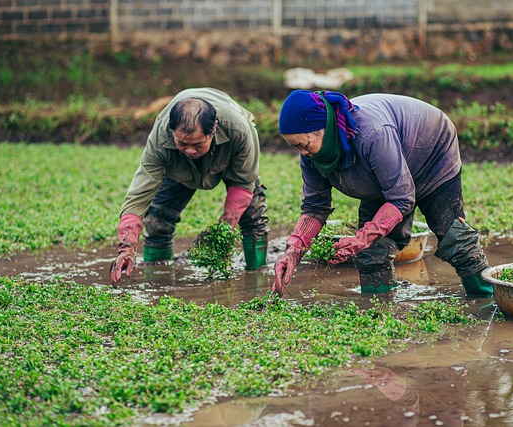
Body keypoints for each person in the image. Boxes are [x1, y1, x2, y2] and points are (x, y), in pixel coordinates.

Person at [272, 90, 491, 297]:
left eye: (304, 144)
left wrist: (361, 238)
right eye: (296, 147)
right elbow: (314, 207)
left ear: (324, 129)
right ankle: (378, 308)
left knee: (454, 237)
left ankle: (487, 299)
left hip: (430, 149)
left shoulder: (372, 134)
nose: (303, 153)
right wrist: (293, 250)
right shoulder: (311, 156)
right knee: (371, 253)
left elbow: (401, 198)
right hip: (384, 171)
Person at [110, 88, 269, 287]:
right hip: (179, 170)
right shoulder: (160, 138)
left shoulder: (239, 130)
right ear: (172, 132)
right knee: (157, 220)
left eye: (197, 144)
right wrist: (127, 246)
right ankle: (159, 282)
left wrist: (224, 227)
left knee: (253, 216)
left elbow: (243, 182)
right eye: (183, 143)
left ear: (213, 131)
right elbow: (139, 193)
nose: (190, 151)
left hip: (228, 157)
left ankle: (258, 278)